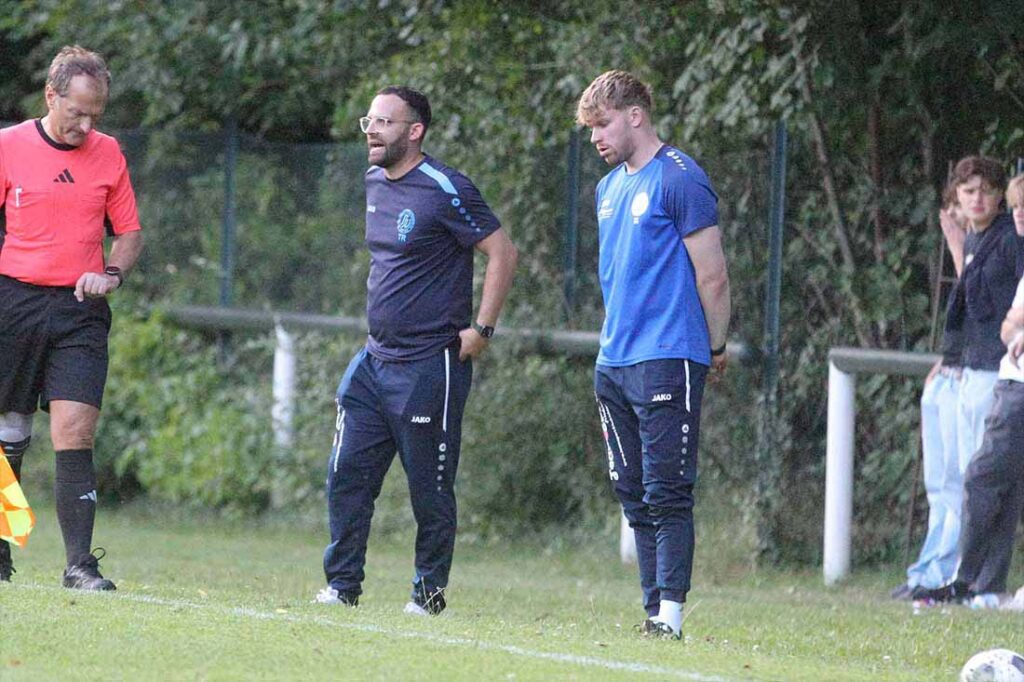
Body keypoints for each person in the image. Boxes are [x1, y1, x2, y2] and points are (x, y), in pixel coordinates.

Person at [316, 86, 518, 615]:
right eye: (368, 121)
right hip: (373, 360)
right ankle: (341, 587)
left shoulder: (445, 188)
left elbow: (502, 252)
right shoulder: (373, 182)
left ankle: (427, 596)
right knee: (346, 476)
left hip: (431, 365)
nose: (371, 131)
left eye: (383, 122)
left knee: (430, 490)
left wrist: (482, 329)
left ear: (414, 131)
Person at [576, 70, 731, 640]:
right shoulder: (608, 187)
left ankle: (671, 614)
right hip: (613, 361)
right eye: (590, 127)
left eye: (603, 123)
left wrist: (714, 346)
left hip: (668, 356)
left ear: (636, 115)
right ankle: (652, 611)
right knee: (631, 490)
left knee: (667, 490)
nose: (595, 136)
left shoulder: (681, 178)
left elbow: (712, 275)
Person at [0, 46, 143, 589]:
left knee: (76, 431)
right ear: (50, 96)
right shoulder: (8, 146)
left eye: (96, 115)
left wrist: (111, 273)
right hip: (13, 303)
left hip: (81, 311)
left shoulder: (109, 154)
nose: (87, 125)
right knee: (9, 431)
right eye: (76, 112)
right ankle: (1, 548)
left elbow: (129, 232)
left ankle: (80, 565)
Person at [920, 173, 1024, 606]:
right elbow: (1005, 322)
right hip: (1002, 375)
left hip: (997, 378)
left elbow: (986, 306)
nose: (1019, 216)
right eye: (1018, 208)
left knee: (980, 476)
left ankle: (970, 580)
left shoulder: (1004, 244)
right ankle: (977, 583)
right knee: (986, 480)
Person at [894, 186, 968, 599]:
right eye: (954, 205)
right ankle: (926, 570)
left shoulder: (989, 250)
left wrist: (959, 248)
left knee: (958, 481)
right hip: (950, 371)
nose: (955, 216)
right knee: (938, 482)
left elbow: (982, 303)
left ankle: (946, 575)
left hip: (972, 377)